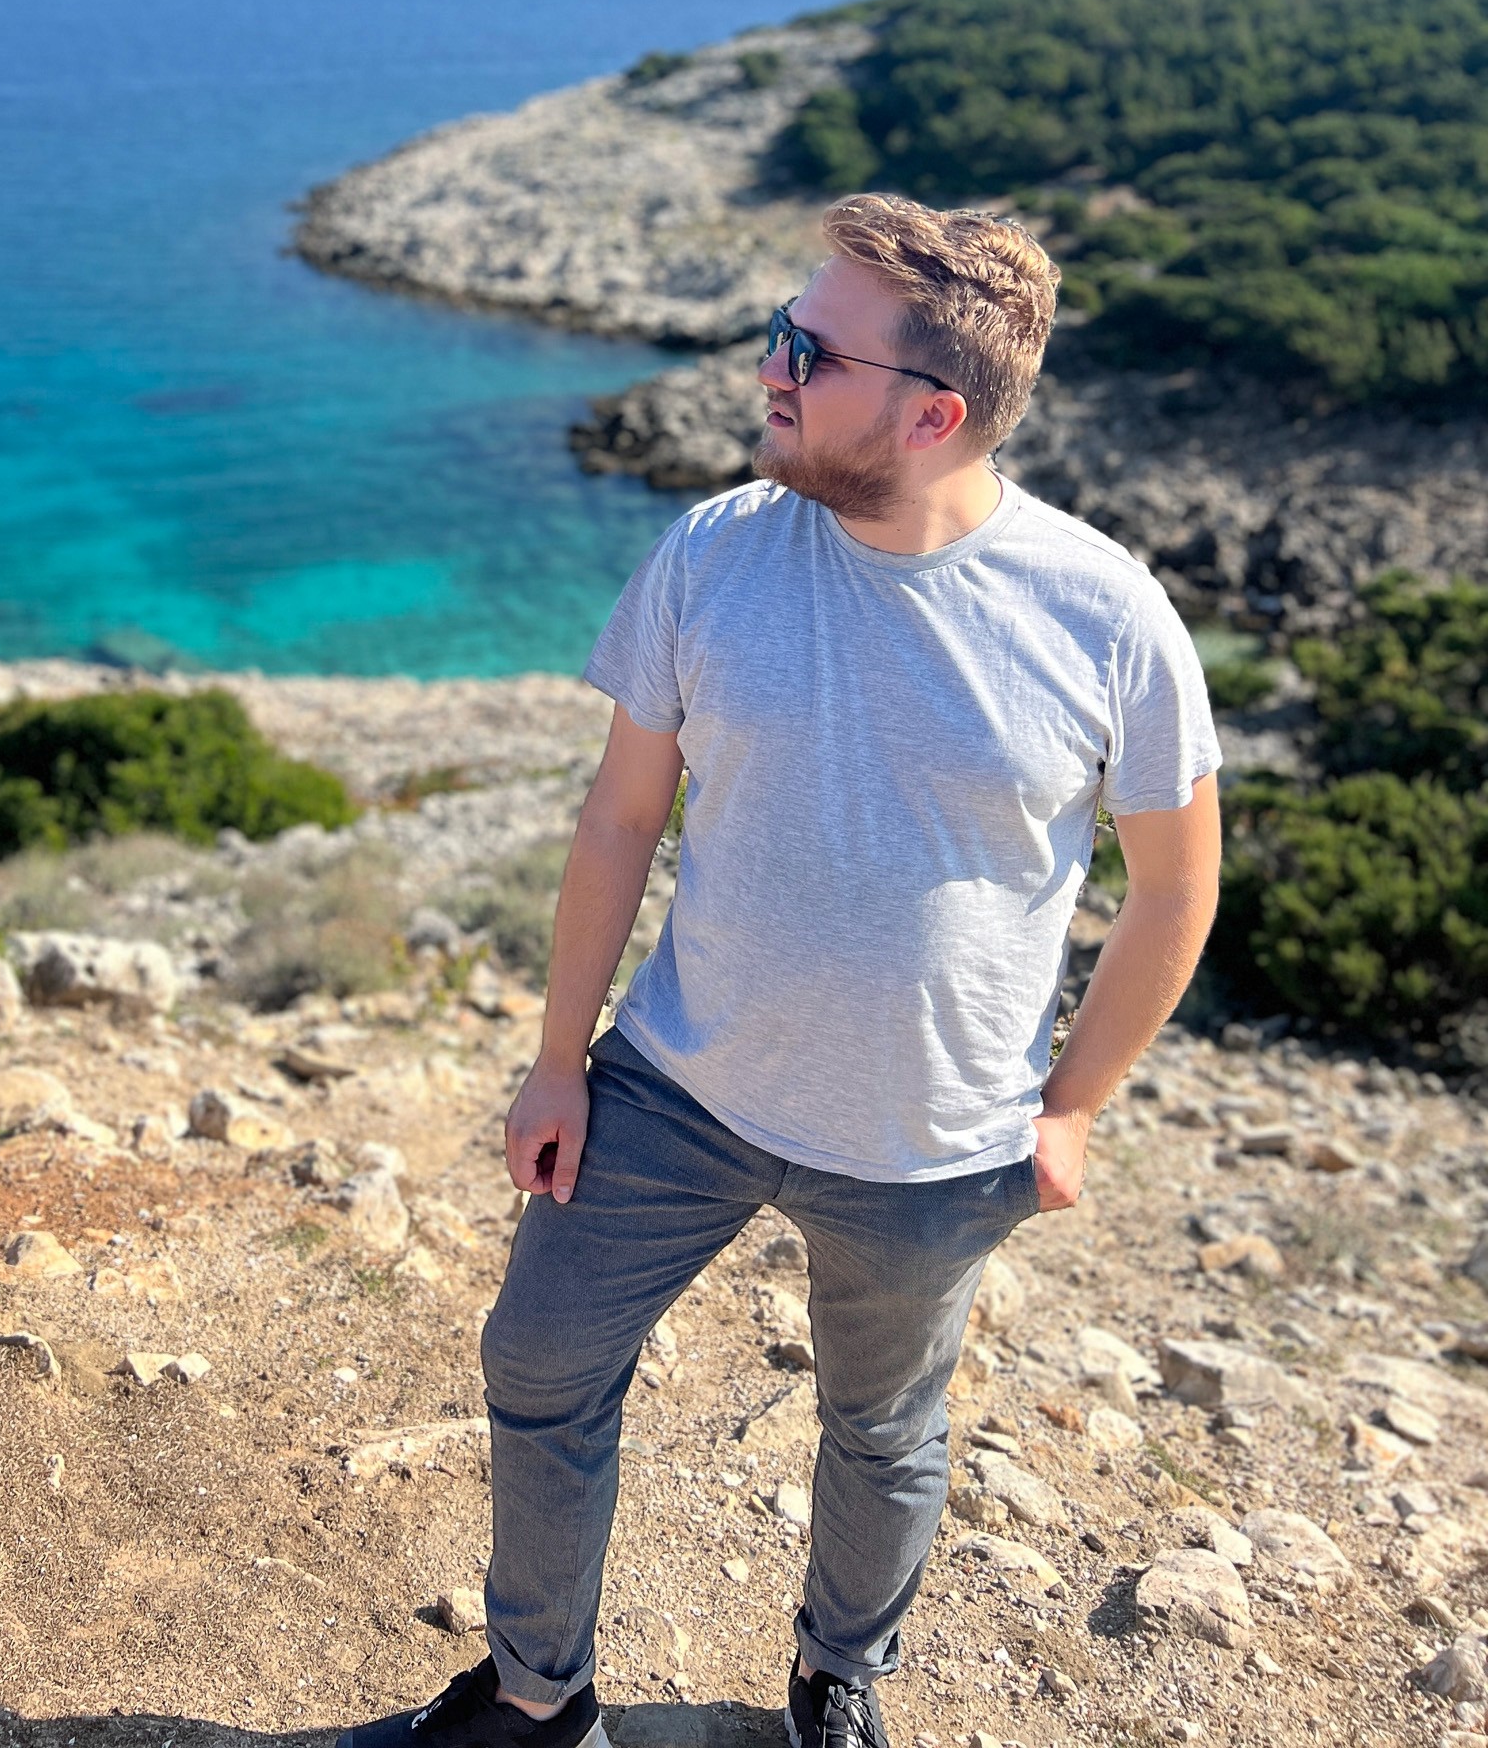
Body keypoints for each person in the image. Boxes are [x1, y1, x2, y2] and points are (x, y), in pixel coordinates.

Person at [337, 194, 1222, 1748]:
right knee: (539, 1359)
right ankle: (539, 1701)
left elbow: (1175, 893)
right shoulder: (713, 550)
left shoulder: (1109, 616)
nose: (769, 368)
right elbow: (622, 820)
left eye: (807, 349)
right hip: (677, 1084)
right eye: (779, 333)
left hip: (932, 1140)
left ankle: (837, 1682)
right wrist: (559, 1056)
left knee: (880, 1431)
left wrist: (1073, 1107)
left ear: (934, 413)